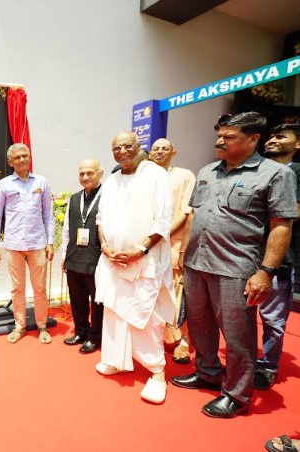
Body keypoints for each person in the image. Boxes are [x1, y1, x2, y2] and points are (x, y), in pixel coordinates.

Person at [172, 112, 297, 419]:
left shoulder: (275, 174)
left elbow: (281, 226)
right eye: (219, 135)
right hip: (196, 264)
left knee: (238, 335)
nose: (219, 141)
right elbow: (193, 216)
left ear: (253, 139)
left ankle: (236, 394)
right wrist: (181, 256)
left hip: (236, 268)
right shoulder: (207, 171)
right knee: (200, 327)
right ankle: (208, 373)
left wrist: (265, 271)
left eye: (229, 137)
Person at [94, 131, 174, 404]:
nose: (122, 151)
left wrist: (140, 250)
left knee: (146, 316)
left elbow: (163, 219)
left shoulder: (156, 175)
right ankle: (116, 359)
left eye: (128, 146)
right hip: (113, 259)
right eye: (116, 147)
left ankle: (157, 372)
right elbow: (101, 218)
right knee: (115, 312)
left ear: (140, 147)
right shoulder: (112, 179)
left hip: (144, 260)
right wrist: (105, 246)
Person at [0, 143, 55, 344]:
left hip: (37, 245)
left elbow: (48, 215)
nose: (22, 160)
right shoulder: (5, 184)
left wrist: (50, 242)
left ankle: (42, 325)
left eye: (25, 156)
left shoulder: (41, 182)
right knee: (17, 288)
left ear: (29, 157)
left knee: (40, 288)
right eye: (17, 158)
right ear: (10, 162)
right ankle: (20, 326)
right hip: (14, 245)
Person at [254, 124, 300, 390]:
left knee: (272, 318)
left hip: (279, 260)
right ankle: (245, 362)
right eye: (271, 136)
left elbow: (290, 212)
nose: (272, 140)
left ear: (297, 145)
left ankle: (268, 366)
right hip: (245, 255)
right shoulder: (259, 171)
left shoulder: (296, 173)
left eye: (281, 136)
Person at [148, 138, 196, 364]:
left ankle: (183, 341)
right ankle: (155, 338)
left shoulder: (184, 176)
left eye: (164, 148)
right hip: (147, 246)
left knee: (177, 294)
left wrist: (161, 233)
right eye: (155, 149)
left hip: (173, 243)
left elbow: (187, 212)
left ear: (173, 152)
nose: (159, 152)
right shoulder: (145, 177)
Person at [61, 158, 104, 354]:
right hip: (74, 257)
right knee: (77, 299)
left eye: (90, 173)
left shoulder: (107, 196)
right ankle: (80, 331)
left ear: (100, 173)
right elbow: (66, 230)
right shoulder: (74, 198)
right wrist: (64, 255)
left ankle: (95, 337)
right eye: (81, 174)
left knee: (97, 302)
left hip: (97, 259)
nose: (85, 177)